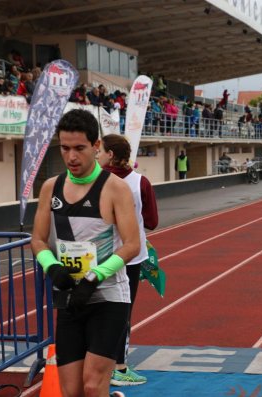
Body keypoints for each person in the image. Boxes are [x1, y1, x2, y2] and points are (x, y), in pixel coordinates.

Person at [31, 109, 140, 397]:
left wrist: (94, 277)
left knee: (93, 386)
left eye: (79, 148)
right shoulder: (50, 188)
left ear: (96, 146)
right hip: (69, 299)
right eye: (65, 148)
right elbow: (38, 240)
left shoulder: (115, 189)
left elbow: (132, 244)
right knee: (72, 392)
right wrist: (52, 267)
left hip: (108, 296)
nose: (71, 157)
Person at [98, 134, 159, 387]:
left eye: (100, 150)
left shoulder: (94, 181)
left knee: (97, 311)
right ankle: (119, 367)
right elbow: (152, 222)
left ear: (111, 154)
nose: (97, 154)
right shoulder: (140, 182)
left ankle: (98, 365)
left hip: (99, 255)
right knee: (123, 312)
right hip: (131, 257)